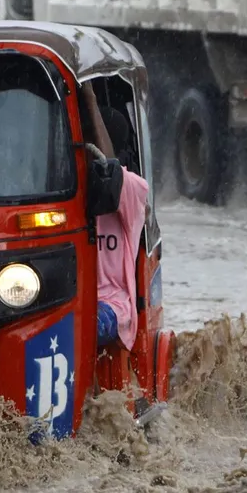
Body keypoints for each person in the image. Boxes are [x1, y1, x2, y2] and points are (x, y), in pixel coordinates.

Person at [81, 84, 149, 351]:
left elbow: (109, 171)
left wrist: (90, 100)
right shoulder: (67, 186)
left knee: (85, 328)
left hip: (112, 305)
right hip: (71, 298)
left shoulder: (133, 188)